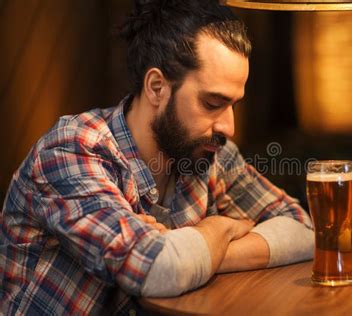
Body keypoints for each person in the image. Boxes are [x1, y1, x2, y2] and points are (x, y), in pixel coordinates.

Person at [0, 0, 314, 314]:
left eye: (234, 104)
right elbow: (158, 270)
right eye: (212, 103)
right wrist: (219, 229)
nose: (229, 127)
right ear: (156, 87)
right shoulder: (72, 149)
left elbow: (304, 230)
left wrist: (196, 252)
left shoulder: (211, 156)